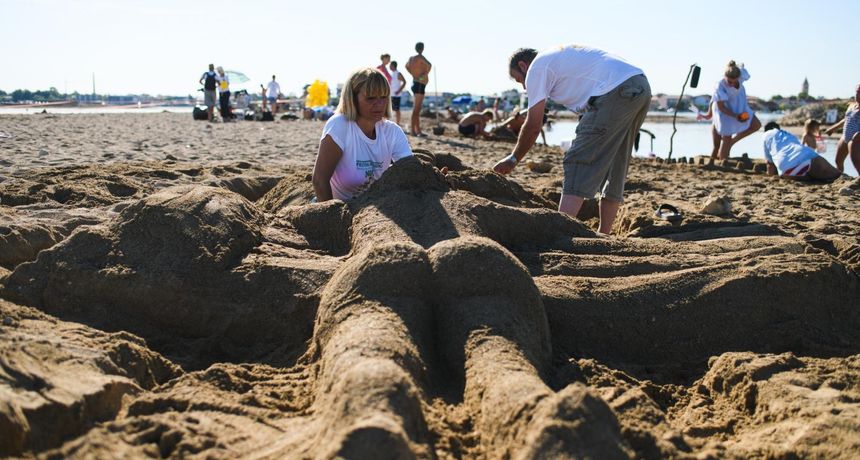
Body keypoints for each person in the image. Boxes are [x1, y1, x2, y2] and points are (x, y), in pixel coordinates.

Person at [493, 46, 650, 235]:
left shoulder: (537, 68)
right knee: (616, 161)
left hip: (614, 90)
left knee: (577, 158)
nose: (525, 87)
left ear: (523, 65)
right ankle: (605, 233)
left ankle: (560, 230)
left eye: (520, 80)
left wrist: (513, 158)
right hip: (639, 85)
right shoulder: (558, 59)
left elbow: (534, 124)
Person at [312, 68, 413, 201]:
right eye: (370, 98)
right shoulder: (340, 125)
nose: (379, 104)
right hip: (341, 207)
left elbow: (411, 171)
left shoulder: (392, 131)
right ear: (352, 99)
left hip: (375, 210)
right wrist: (333, 217)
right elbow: (319, 180)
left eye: (383, 97)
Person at [698, 61, 762, 160]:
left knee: (756, 125)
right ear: (725, 77)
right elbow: (720, 106)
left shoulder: (741, 75)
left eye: (734, 81)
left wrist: (739, 114)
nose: (732, 84)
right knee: (726, 138)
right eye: (729, 81)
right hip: (725, 111)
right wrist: (735, 116)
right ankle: (723, 160)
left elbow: (743, 69)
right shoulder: (720, 85)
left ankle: (732, 142)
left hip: (740, 107)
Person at [763, 122, 840, 181]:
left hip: (787, 169)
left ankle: (808, 176)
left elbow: (770, 164)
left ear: (765, 130)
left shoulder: (765, 136)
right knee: (837, 175)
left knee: (811, 179)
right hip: (806, 155)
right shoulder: (788, 134)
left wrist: (771, 177)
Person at [824, 83, 860, 173]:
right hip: (845, 136)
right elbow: (846, 120)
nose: (858, 95)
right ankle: (840, 177)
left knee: (857, 163)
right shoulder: (851, 105)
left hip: (855, 139)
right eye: (858, 92)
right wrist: (832, 128)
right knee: (838, 161)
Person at [406, 42, 431, 137]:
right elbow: (429, 64)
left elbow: (406, 66)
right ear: (422, 48)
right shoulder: (420, 57)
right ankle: (413, 131)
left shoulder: (411, 59)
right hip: (419, 84)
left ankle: (418, 130)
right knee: (416, 109)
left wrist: (413, 75)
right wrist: (423, 75)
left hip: (416, 83)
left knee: (417, 109)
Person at [389, 60, 407, 126]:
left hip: (396, 95)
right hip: (391, 94)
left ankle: (398, 123)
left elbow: (404, 82)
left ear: (393, 66)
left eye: (390, 65)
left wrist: (399, 91)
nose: (389, 67)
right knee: (391, 109)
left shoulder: (398, 73)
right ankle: (392, 123)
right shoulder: (391, 74)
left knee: (397, 109)